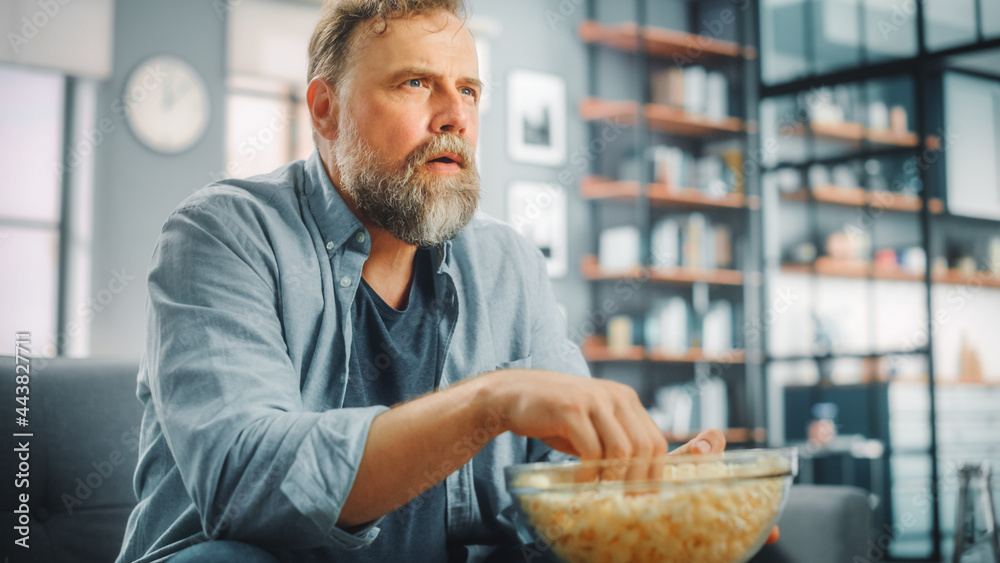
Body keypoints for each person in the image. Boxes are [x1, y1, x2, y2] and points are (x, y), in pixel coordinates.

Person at [115, 1, 731, 562]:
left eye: (468, 90)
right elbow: (244, 482)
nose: (455, 117)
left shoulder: (507, 262)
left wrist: (647, 496)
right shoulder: (222, 233)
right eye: (416, 83)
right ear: (325, 110)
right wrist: (487, 404)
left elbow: (562, 481)